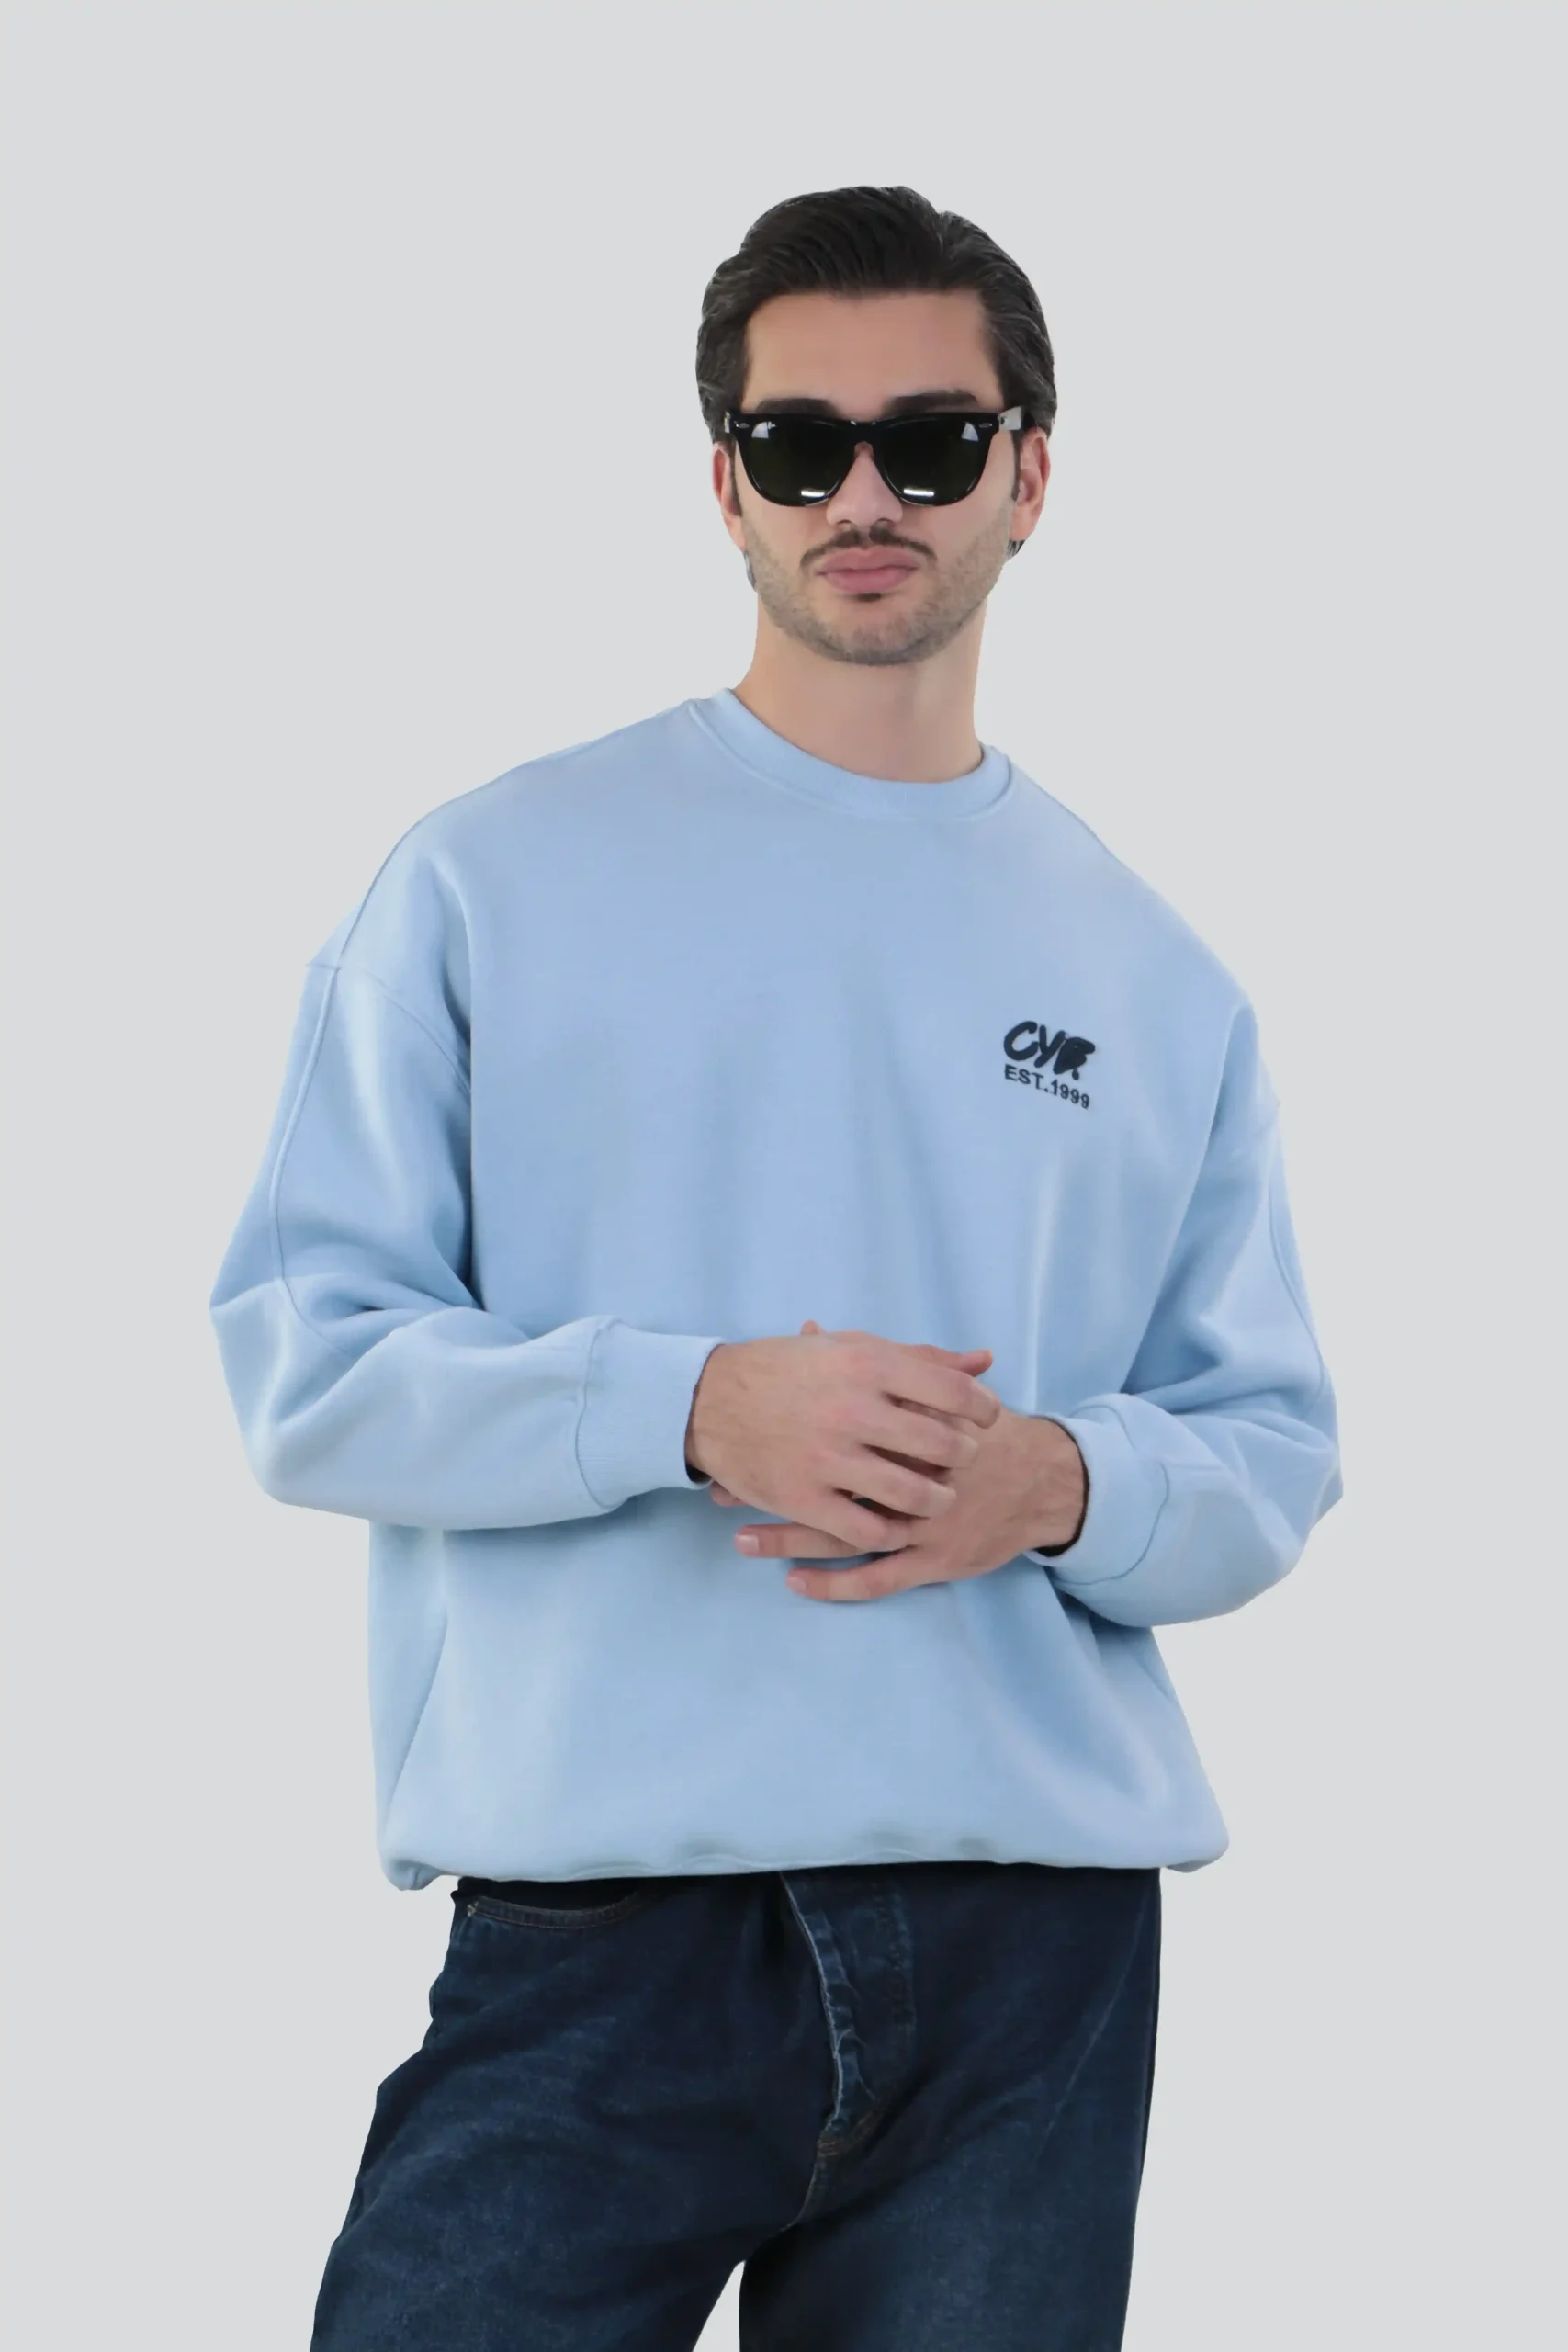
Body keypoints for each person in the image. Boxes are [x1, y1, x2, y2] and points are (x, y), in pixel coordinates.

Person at [210, 183, 1342, 2352]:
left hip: (1029, 1948)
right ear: (722, 480)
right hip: (599, 1928)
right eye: (800, 443)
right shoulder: (489, 879)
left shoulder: (1152, 968)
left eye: (931, 441)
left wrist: (1063, 1484)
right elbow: (302, 1360)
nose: (863, 497)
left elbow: (1270, 1446)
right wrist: (692, 1403)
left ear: (1029, 473)